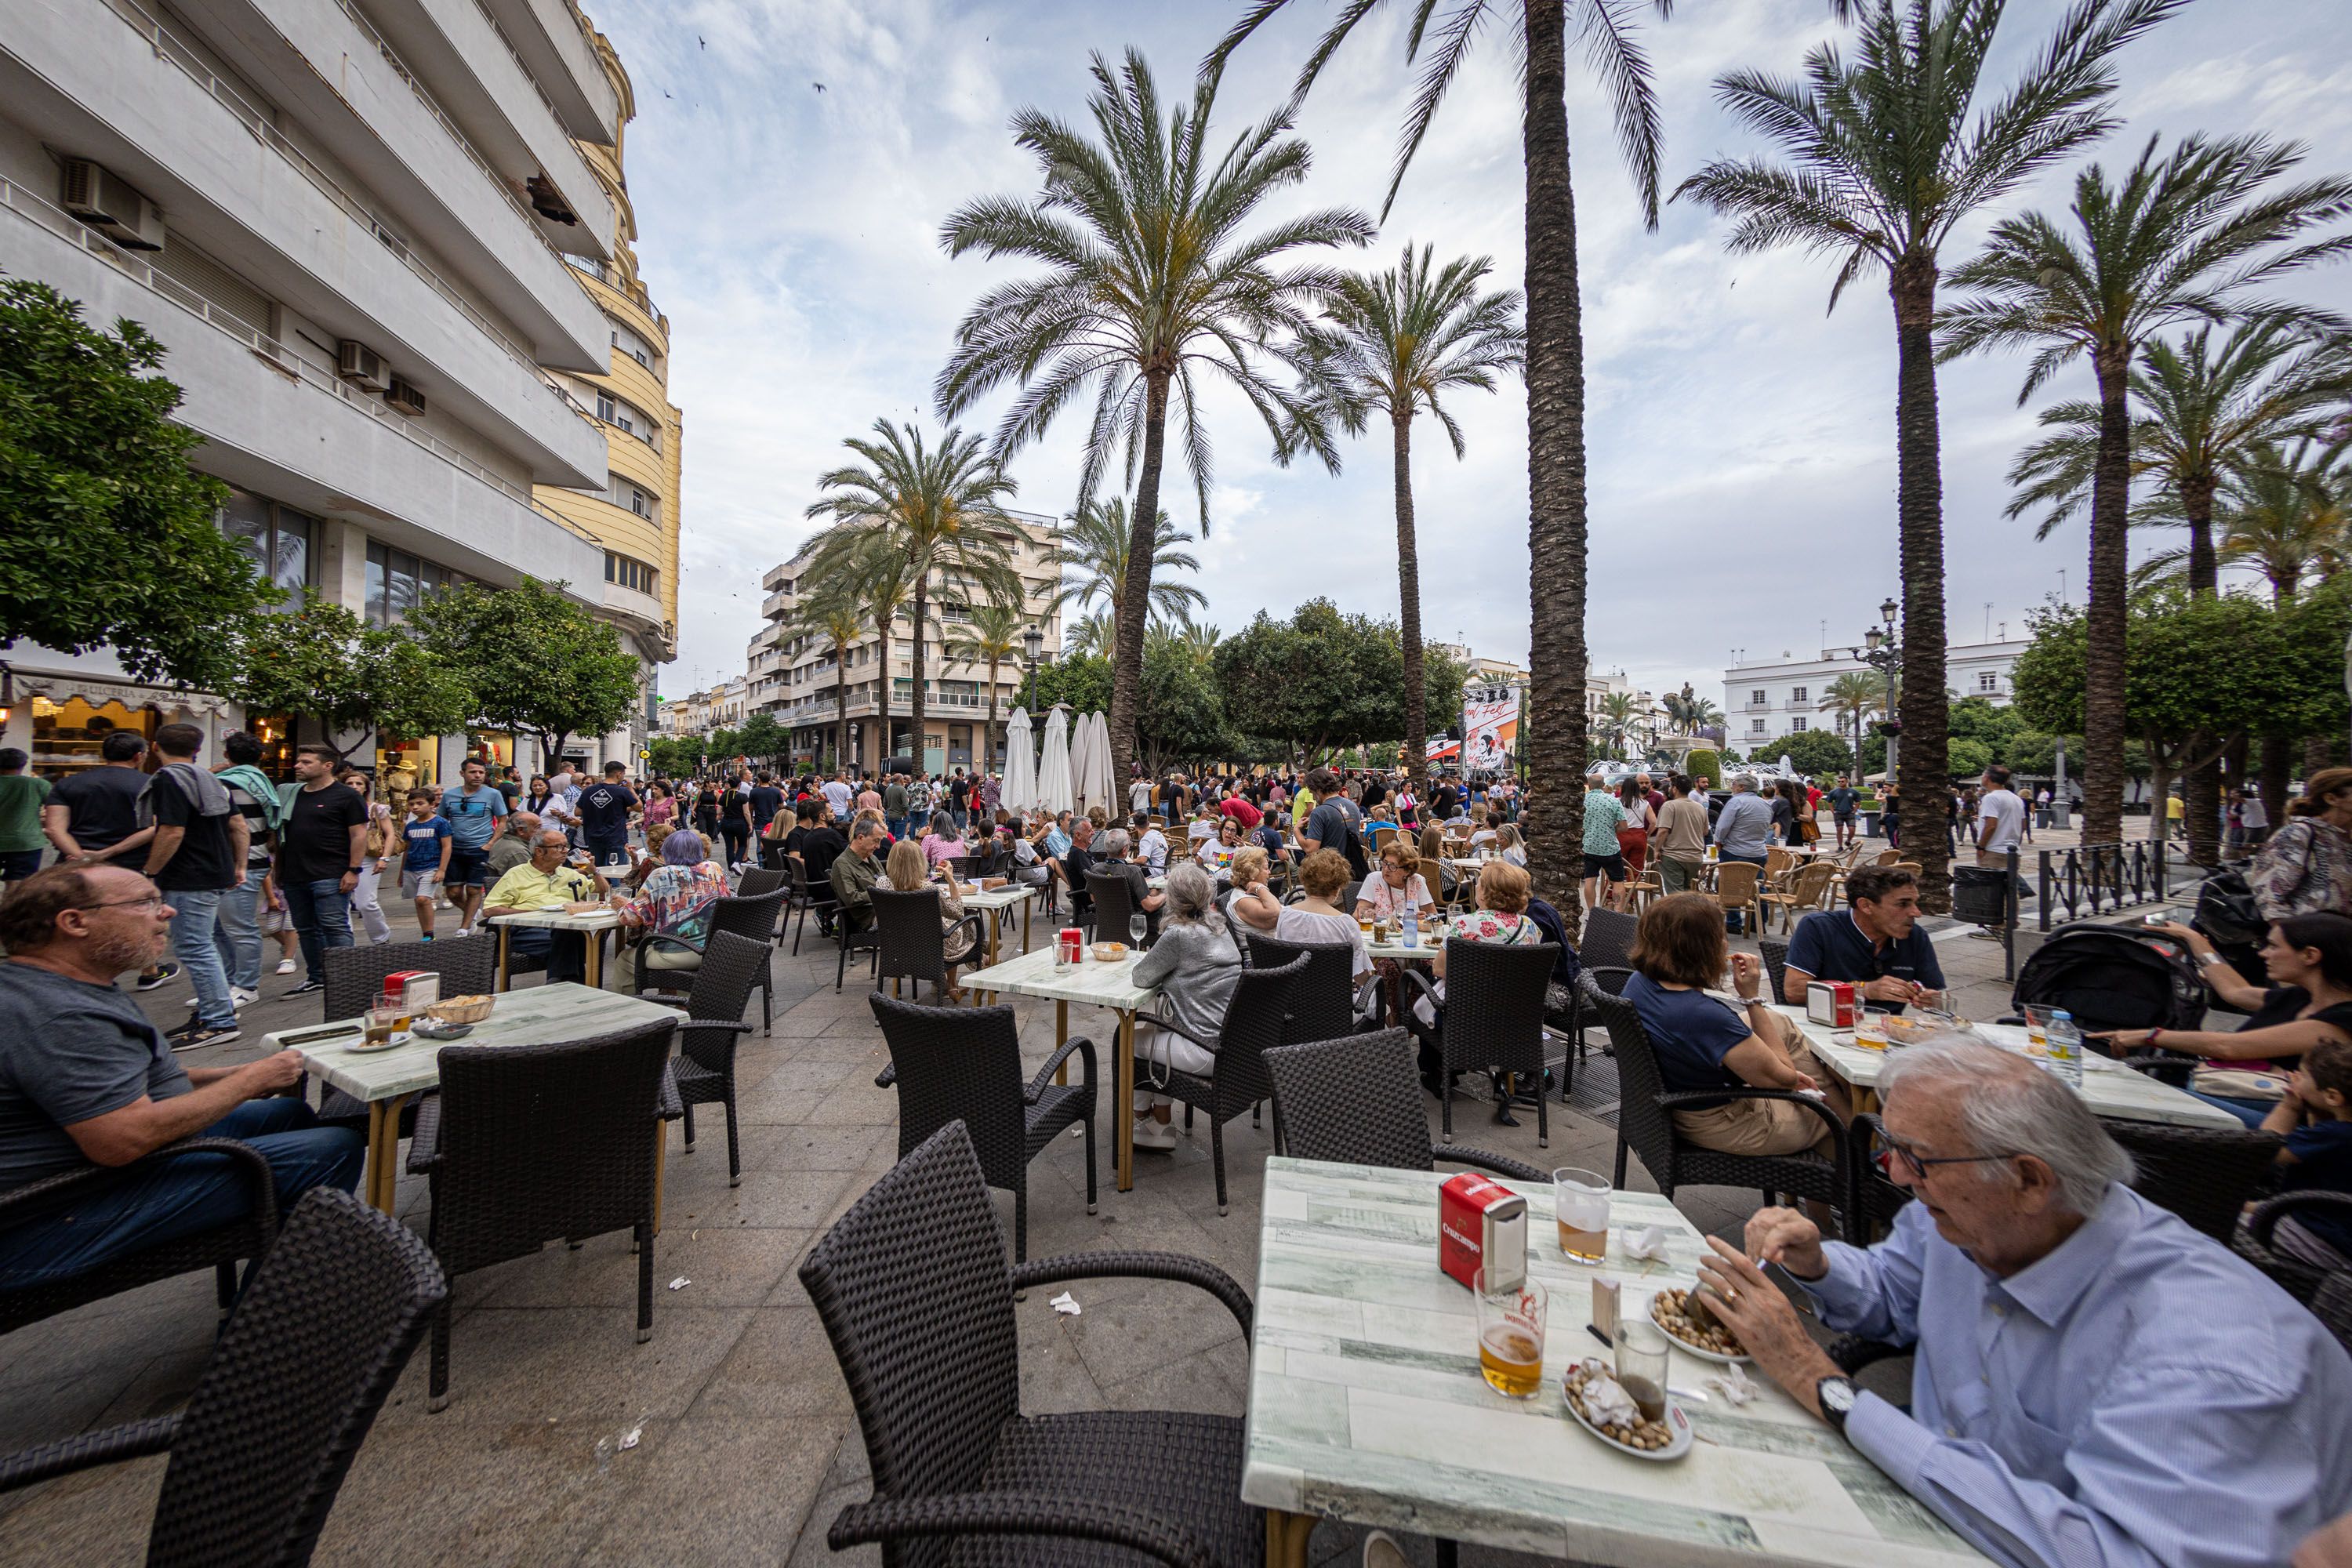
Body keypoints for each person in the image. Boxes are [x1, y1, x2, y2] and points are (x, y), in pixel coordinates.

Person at [1708, 1040, 2352, 1568]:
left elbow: (2111, 1552)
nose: (1896, 1175)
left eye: (1918, 1159)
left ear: (2028, 1179)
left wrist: (1827, 1388)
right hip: (1926, 1494)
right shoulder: (1964, 1220)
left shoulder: (2210, 1358)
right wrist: (1819, 1263)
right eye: (1891, 1147)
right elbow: (1892, 1290)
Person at [0, 864, 364, 1291]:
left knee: (286, 1114)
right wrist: (247, 1083)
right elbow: (122, 1140)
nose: (167, 911)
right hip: (44, 1219)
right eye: (144, 902)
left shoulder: (51, 983)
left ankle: (279, 1249)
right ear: (74, 922)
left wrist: (236, 1074)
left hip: (82, 1174)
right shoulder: (60, 1014)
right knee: (331, 1149)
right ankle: (272, 1333)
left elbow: (116, 1081)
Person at [1627, 892, 1849, 1163]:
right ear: (1701, 949)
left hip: (1673, 1104)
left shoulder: (1640, 982)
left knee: (1781, 1023)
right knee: (1831, 1116)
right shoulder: (1704, 1016)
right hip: (1727, 1123)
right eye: (1720, 936)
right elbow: (1786, 1078)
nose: (1725, 944)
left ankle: (1825, 1090)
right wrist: (1752, 999)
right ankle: (1857, 1147)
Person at [2095, 914, 2352, 1129]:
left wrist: (2153, 1035)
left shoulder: (2339, 1021)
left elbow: (2229, 1047)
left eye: (2274, 946)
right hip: (2239, 1092)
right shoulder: (2302, 997)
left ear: (2310, 955)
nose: (2264, 954)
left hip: (2282, 1123)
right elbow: (2235, 991)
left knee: (2135, 1101)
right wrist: (2196, 941)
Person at [136, 724, 247, 1050]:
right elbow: (238, 826)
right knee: (206, 943)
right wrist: (238, 866)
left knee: (195, 947)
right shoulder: (211, 780)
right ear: (197, 750)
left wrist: (148, 872)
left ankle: (218, 1021)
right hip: (213, 870)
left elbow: (171, 831)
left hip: (189, 875)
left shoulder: (170, 779)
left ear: (155, 747)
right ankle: (214, 1011)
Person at [42, 731, 173, 993]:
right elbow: (156, 828)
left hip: (74, 863)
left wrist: (81, 857)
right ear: (139, 756)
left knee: (77, 915)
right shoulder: (149, 783)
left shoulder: (70, 783)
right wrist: (110, 853)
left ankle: (74, 970)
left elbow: (55, 828)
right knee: (139, 916)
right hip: (130, 864)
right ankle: (149, 970)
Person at [1415, 860, 1545, 1116]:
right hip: (1515, 1022)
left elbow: (1440, 969)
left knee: (1430, 987)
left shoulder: (1466, 924)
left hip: (1464, 1020)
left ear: (1486, 892)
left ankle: (1439, 1073)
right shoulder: (1531, 927)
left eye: (1479, 883)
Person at [1130, 862, 1243, 1151]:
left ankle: (1143, 1116)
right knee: (1154, 1027)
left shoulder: (1179, 935)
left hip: (1204, 1048)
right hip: (1235, 1045)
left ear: (1172, 898)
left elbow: (1141, 977)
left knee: (1127, 1040)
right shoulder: (1221, 928)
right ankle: (1160, 1123)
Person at [272, 743, 368, 998]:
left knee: (334, 927)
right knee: (306, 929)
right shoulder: (291, 795)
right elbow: (281, 834)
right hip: (295, 874)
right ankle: (317, 977)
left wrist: (353, 870)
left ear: (327, 766)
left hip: (331, 874)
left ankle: (349, 979)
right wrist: (278, 870)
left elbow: (359, 835)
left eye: (306, 762)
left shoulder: (347, 796)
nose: (298, 766)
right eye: (299, 761)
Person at [1780, 864, 1944, 1011]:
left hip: (1888, 1034)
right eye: (1903, 904)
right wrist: (1864, 990)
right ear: (1866, 906)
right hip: (1824, 1027)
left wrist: (1930, 1000)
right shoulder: (1819, 928)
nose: (1916, 913)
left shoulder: (1915, 936)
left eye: (1915, 903)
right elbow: (1794, 991)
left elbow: (1937, 994)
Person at [608, 829, 731, 993]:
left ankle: (628, 1010)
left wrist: (622, 906)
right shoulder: (714, 868)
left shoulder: (662, 874)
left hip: (675, 953)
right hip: (714, 950)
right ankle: (681, 1000)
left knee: (624, 960)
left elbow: (631, 919)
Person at [210, 731, 284, 1004]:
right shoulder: (261, 782)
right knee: (223, 928)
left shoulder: (223, 783)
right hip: (254, 859)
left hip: (236, 864)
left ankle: (245, 986)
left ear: (227, 755)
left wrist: (209, 773)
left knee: (237, 928)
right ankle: (226, 984)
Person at [480, 831, 608, 982]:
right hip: (528, 930)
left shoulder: (569, 874)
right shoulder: (516, 875)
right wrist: (533, 913)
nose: (566, 850)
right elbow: (490, 909)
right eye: (559, 847)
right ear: (539, 851)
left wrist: (593, 870)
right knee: (577, 941)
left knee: (570, 935)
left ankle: (562, 982)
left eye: (566, 846)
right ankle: (572, 983)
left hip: (566, 928)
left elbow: (603, 892)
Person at [2251, 768, 2352, 919]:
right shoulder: (2298, 834)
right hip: (2304, 936)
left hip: (2339, 937)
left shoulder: (2344, 838)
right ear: (2331, 799)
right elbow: (2270, 898)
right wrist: (2292, 937)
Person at [1276, 848, 1374, 996]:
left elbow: (1282, 960)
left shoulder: (1285, 914)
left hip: (1292, 1000)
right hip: (1336, 1005)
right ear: (1337, 888)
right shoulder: (1346, 923)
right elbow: (1360, 976)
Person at [882, 837, 977, 988]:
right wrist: (951, 879)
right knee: (963, 923)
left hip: (898, 943)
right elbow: (957, 913)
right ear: (919, 862)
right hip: (933, 945)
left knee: (953, 924)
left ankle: (981, 956)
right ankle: (956, 982)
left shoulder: (882, 883)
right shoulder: (927, 888)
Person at [441, 757, 508, 937]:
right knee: (453, 892)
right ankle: (470, 914)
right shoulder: (449, 795)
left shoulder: (492, 794)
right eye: (473, 772)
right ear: (462, 774)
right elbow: (441, 821)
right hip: (454, 849)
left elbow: (503, 820)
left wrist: (491, 843)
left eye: (481, 772)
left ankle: (464, 927)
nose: (478, 775)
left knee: (473, 889)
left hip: (480, 848)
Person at [397, 788, 453, 942]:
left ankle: (430, 934)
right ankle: (425, 932)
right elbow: (407, 849)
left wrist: (442, 869)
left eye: (420, 803)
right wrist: (402, 872)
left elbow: (447, 846)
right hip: (412, 867)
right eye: (411, 804)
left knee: (424, 899)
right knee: (418, 900)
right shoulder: (410, 826)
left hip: (431, 866)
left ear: (432, 804)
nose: (415, 807)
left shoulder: (440, 823)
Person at [1092, 828, 1164, 943]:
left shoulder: (1095, 869)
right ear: (1125, 850)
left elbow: (1093, 898)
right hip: (1135, 925)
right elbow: (1149, 906)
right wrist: (1166, 895)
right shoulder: (1132, 871)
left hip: (1108, 923)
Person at [1300, 769, 1367, 880]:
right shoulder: (1353, 806)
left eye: (1312, 792)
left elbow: (1311, 849)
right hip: (1352, 869)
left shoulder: (1320, 812)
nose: (1313, 797)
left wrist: (1297, 830)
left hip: (1328, 873)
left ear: (1319, 789)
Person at [826, 815, 888, 936]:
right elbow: (852, 899)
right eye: (876, 841)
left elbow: (884, 881)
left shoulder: (871, 858)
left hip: (885, 909)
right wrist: (879, 891)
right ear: (860, 838)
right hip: (870, 920)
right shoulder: (842, 864)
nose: (878, 846)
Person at [0, 747, 50, 891]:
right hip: (26, 842)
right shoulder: (38, 785)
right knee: (18, 885)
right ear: (23, 765)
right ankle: (11, 912)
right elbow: (54, 810)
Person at [1653, 775, 1710, 896]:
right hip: (1695, 857)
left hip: (1674, 856)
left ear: (1675, 789)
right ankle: (1688, 915)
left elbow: (1663, 831)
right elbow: (1705, 832)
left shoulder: (1670, 806)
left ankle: (1678, 915)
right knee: (1689, 893)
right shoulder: (1700, 807)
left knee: (1675, 895)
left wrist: (1657, 849)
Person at [348, 802, 396, 946]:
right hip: (340, 858)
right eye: (350, 783)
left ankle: (381, 938)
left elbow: (390, 834)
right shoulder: (337, 805)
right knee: (341, 905)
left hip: (368, 858)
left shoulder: (376, 808)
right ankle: (345, 943)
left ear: (366, 787)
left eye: (359, 783)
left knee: (366, 903)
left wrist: (384, 858)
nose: (355, 786)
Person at [577, 762, 638, 871]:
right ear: (619, 774)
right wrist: (630, 788)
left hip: (593, 835)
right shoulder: (622, 791)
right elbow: (639, 807)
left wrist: (596, 808)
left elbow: (577, 811)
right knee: (615, 869)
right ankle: (613, 887)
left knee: (597, 869)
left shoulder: (589, 791)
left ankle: (600, 887)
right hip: (615, 836)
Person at [1354, 840, 1434, 924]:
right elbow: (1357, 915)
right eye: (1385, 863)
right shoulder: (1374, 879)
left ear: (1407, 871)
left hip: (1411, 934)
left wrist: (1423, 919)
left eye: (1392, 866)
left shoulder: (1417, 881)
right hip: (1381, 934)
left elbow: (1433, 916)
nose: (1386, 869)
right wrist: (1368, 915)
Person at [1581, 776, 1628, 916]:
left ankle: (1592, 912)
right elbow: (1624, 827)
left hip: (1588, 846)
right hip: (1610, 847)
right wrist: (1613, 828)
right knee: (1618, 881)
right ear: (1603, 785)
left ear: (1589, 785)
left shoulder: (1582, 801)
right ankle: (1618, 912)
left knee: (1590, 880)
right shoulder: (1613, 801)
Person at [1222, 845, 1283, 935]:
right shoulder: (1243, 901)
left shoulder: (1246, 892)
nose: (1269, 872)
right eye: (1266, 868)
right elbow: (1276, 915)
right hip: (1266, 948)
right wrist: (1259, 887)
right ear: (1253, 872)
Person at [1973, 764, 2025, 868]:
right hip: (2013, 852)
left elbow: (1991, 825)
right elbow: (2023, 826)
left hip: (1994, 852)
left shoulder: (1991, 798)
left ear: (1987, 777)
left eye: (1983, 775)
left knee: (1990, 883)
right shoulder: (2016, 799)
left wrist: (1981, 847)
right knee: (2010, 883)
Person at [484, 810, 542, 884]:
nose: (541, 831)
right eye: (538, 828)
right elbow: (530, 880)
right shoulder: (518, 851)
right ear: (521, 830)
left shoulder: (504, 840)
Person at [1616, 777, 1653, 883]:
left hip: (1621, 835)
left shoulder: (1617, 802)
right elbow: (1654, 822)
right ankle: (1632, 896)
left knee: (1615, 867)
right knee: (1636, 868)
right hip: (1639, 835)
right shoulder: (1644, 803)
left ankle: (1611, 895)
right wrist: (1647, 834)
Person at [1824, 775, 1860, 851]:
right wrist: (1833, 811)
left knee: (1852, 830)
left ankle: (1848, 841)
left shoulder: (1853, 792)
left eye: (1842, 781)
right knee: (1839, 830)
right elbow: (1829, 802)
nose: (1840, 783)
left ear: (1847, 781)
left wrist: (1855, 810)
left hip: (1849, 813)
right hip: (1838, 813)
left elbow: (1858, 801)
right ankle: (1840, 846)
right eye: (1839, 781)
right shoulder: (1833, 792)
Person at [1134, 813, 1171, 877]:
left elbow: (1142, 860)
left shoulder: (1146, 840)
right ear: (1148, 823)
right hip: (1165, 869)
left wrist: (1130, 860)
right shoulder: (1158, 834)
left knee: (1130, 872)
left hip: (1155, 871)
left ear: (1136, 827)